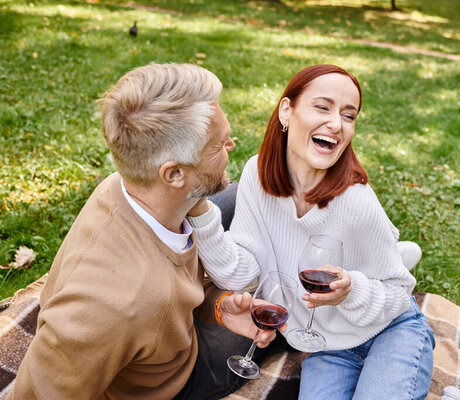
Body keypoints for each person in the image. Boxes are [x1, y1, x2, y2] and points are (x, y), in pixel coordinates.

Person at [6, 63, 280, 400]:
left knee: (238, 193)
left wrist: (218, 305)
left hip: (161, 321)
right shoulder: (112, 306)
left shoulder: (125, 184)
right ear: (174, 174)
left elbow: (177, 287)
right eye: (219, 145)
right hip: (175, 378)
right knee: (284, 307)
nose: (232, 146)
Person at [188, 64, 435, 399]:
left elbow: (399, 291)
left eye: (349, 116)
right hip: (328, 346)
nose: (336, 124)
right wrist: (200, 212)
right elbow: (241, 270)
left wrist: (352, 291)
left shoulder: (356, 201)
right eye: (323, 107)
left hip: (391, 329)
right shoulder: (256, 176)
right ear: (286, 112)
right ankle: (388, 251)